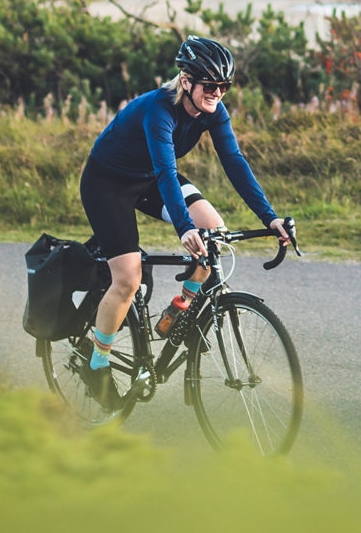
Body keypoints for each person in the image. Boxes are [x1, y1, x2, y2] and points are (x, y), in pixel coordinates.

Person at [76, 36, 294, 403]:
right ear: (186, 80)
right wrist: (184, 228)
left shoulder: (213, 110)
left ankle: (179, 310)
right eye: (210, 85)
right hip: (108, 183)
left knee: (216, 235)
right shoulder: (159, 110)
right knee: (127, 279)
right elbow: (166, 170)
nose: (218, 93)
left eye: (224, 86)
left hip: (148, 178)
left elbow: (235, 162)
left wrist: (270, 218)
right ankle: (96, 364)